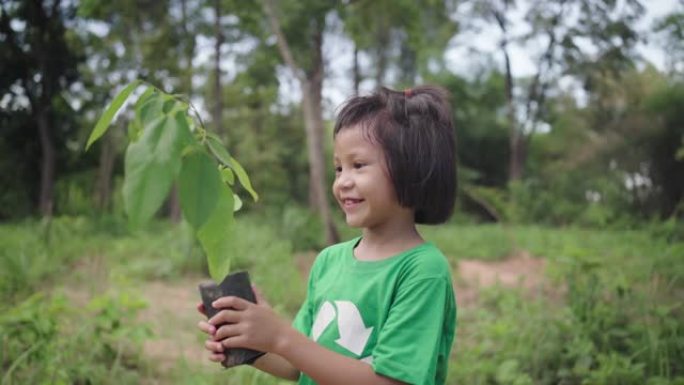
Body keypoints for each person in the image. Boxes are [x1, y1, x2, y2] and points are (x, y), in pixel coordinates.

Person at [197, 85, 458, 385]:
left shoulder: (422, 271)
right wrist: (255, 342)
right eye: (338, 168)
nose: (343, 182)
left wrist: (281, 337)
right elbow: (299, 366)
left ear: (411, 169)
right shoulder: (329, 261)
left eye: (358, 165)